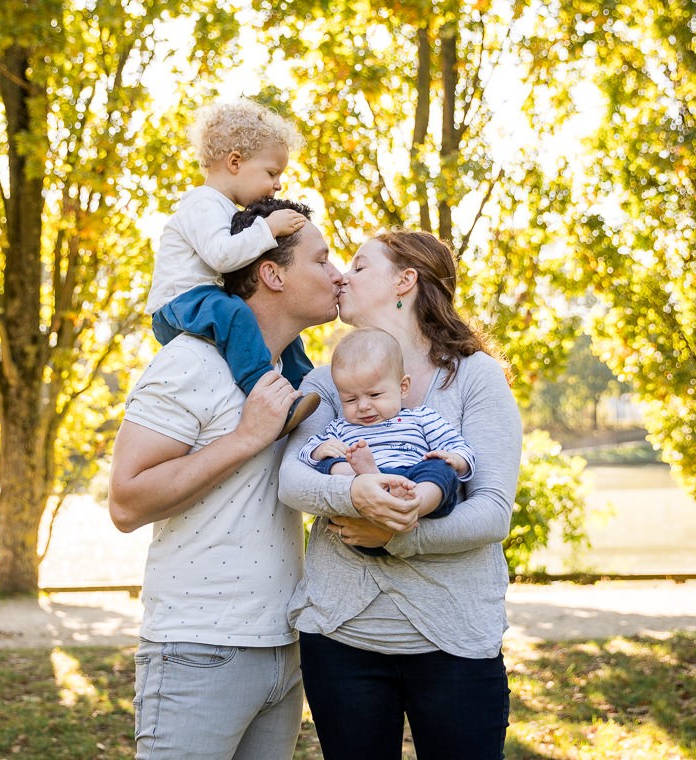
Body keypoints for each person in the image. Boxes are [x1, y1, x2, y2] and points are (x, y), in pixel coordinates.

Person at [108, 197, 344, 760]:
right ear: (271, 272)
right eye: (322, 260)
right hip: (198, 650)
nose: (338, 275)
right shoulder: (193, 361)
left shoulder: (298, 378)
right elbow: (125, 501)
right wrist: (243, 438)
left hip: (283, 650)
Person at [279, 229, 523, 760]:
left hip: (454, 639)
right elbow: (293, 480)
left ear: (405, 282)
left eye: (360, 267)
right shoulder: (329, 382)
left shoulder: (475, 378)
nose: (341, 276)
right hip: (341, 636)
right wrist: (357, 494)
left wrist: (394, 536)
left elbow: (491, 513)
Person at [146, 98, 320, 436]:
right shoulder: (203, 203)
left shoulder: (222, 207)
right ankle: (266, 393)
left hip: (206, 301)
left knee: (283, 334)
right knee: (237, 315)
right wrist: (268, 229)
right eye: (272, 173)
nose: (278, 184)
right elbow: (221, 256)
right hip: (178, 303)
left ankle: (305, 389)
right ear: (235, 162)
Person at [297, 326, 476, 556]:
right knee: (330, 463)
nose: (363, 406)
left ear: (403, 387)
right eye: (350, 399)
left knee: (441, 469)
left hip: (411, 480)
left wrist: (456, 459)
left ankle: (410, 506)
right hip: (365, 505)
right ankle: (373, 479)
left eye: (374, 395)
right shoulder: (342, 427)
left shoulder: (420, 418)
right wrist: (319, 449)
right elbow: (305, 453)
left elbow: (462, 448)